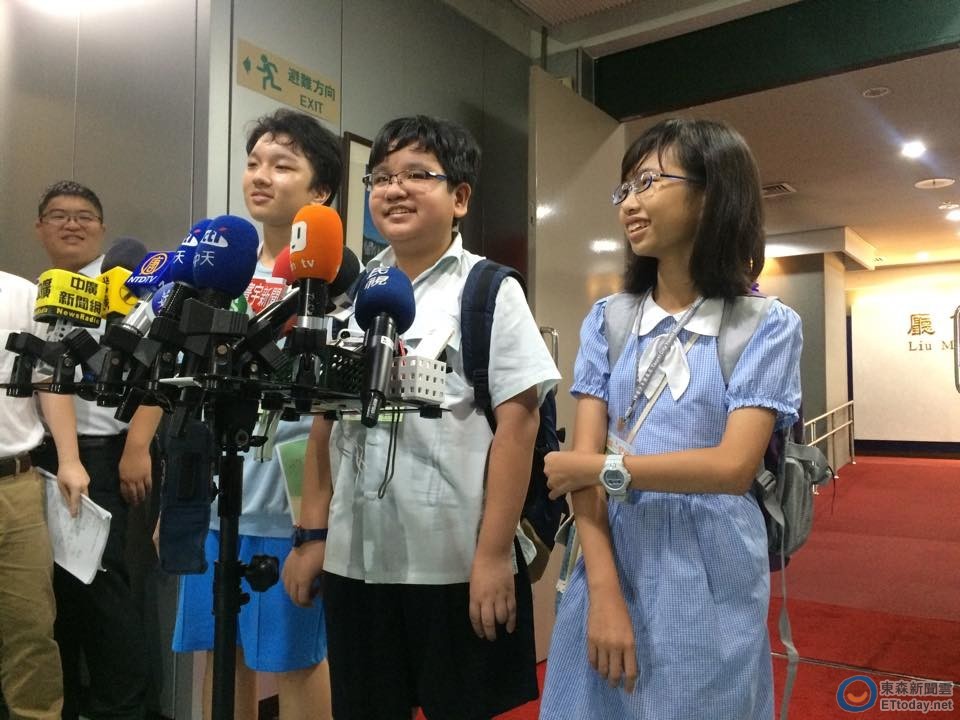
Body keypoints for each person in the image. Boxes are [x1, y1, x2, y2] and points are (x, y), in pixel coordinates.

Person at [282, 115, 561, 720]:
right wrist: (311, 536)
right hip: (355, 559)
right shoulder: (350, 294)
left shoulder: (489, 290)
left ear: (459, 198)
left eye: (416, 175)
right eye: (382, 177)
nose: (395, 189)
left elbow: (519, 427)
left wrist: (492, 556)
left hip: (452, 561)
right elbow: (325, 423)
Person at [538, 118, 802, 719]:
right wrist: (604, 593)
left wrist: (602, 468)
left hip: (710, 569)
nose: (629, 203)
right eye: (625, 188)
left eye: (649, 182)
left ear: (713, 193)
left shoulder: (765, 324)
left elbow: (732, 468)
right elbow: (582, 473)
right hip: (610, 553)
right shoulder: (608, 319)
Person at [171, 108, 340, 720]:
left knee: (296, 660)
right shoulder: (217, 273)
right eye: (253, 163)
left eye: (283, 165)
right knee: (221, 654)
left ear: (321, 191)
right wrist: (178, 503)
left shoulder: (333, 281)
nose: (261, 176)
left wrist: (315, 531)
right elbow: (187, 390)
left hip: (287, 508)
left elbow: (332, 414)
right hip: (216, 499)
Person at [31, 181, 149, 720]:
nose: (72, 224)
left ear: (101, 228)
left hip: (104, 456)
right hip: (44, 458)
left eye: (84, 216)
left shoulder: (127, 288)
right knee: (55, 595)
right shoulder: (40, 293)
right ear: (40, 229)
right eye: (59, 216)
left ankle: (120, 708)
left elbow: (159, 372)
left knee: (103, 588)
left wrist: (137, 448)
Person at [0, 268, 90, 719]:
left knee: (31, 630)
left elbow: (49, 378)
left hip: (15, 484)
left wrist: (70, 459)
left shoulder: (23, 294)